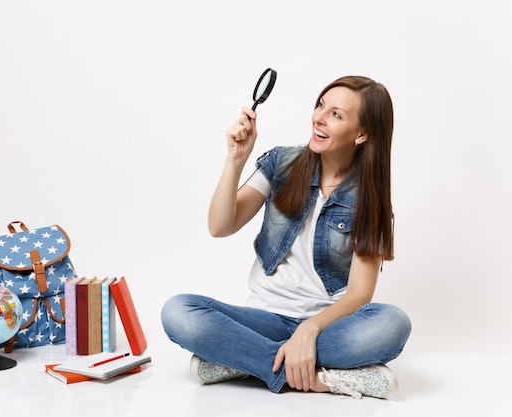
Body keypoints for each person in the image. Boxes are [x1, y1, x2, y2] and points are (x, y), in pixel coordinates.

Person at [160, 75, 412, 399]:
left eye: (336, 114)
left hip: (327, 328)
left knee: (393, 323)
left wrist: (310, 328)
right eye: (321, 105)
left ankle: (241, 361)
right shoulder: (282, 163)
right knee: (179, 312)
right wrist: (235, 159)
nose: (319, 117)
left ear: (362, 134)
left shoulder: (371, 199)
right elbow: (220, 226)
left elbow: (360, 293)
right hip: (265, 318)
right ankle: (319, 377)